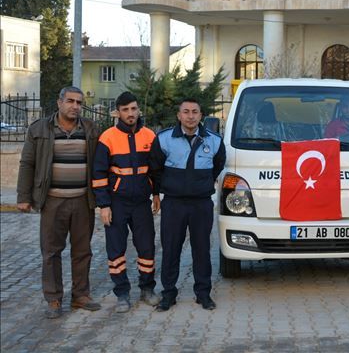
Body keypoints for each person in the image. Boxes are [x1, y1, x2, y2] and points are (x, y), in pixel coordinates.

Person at [17, 86, 102, 318]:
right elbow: (27, 163)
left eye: (79, 103)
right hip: (52, 201)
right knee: (51, 252)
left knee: (82, 251)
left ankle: (80, 295)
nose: (75, 106)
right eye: (70, 101)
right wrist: (23, 197)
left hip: (83, 200)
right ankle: (54, 299)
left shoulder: (91, 129)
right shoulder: (39, 129)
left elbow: (101, 162)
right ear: (59, 102)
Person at [149, 98, 226, 311]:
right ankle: (168, 294)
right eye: (186, 112)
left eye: (194, 112)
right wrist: (162, 190)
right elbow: (155, 168)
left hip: (201, 204)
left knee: (202, 249)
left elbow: (218, 165)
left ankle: (203, 294)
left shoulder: (214, 140)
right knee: (171, 249)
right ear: (179, 115)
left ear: (201, 115)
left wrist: (201, 183)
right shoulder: (164, 139)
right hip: (174, 203)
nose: (190, 116)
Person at [92, 92, 160, 313]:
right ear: (118, 112)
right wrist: (104, 205)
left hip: (141, 203)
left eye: (133, 108)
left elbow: (155, 170)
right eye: (125, 110)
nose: (130, 113)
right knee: (116, 249)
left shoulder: (149, 136)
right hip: (116, 203)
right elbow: (99, 174)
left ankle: (147, 289)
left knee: (147, 247)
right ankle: (122, 293)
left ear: (138, 109)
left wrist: (156, 194)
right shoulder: (107, 137)